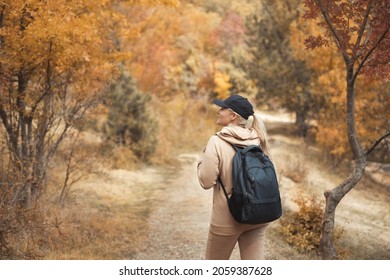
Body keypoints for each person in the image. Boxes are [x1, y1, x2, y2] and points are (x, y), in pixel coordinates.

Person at [197, 94, 273, 260]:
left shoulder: (216, 141)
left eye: (222, 108)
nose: (218, 111)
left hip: (227, 219)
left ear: (233, 116)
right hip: (257, 215)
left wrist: (200, 163)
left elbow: (206, 181)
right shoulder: (258, 139)